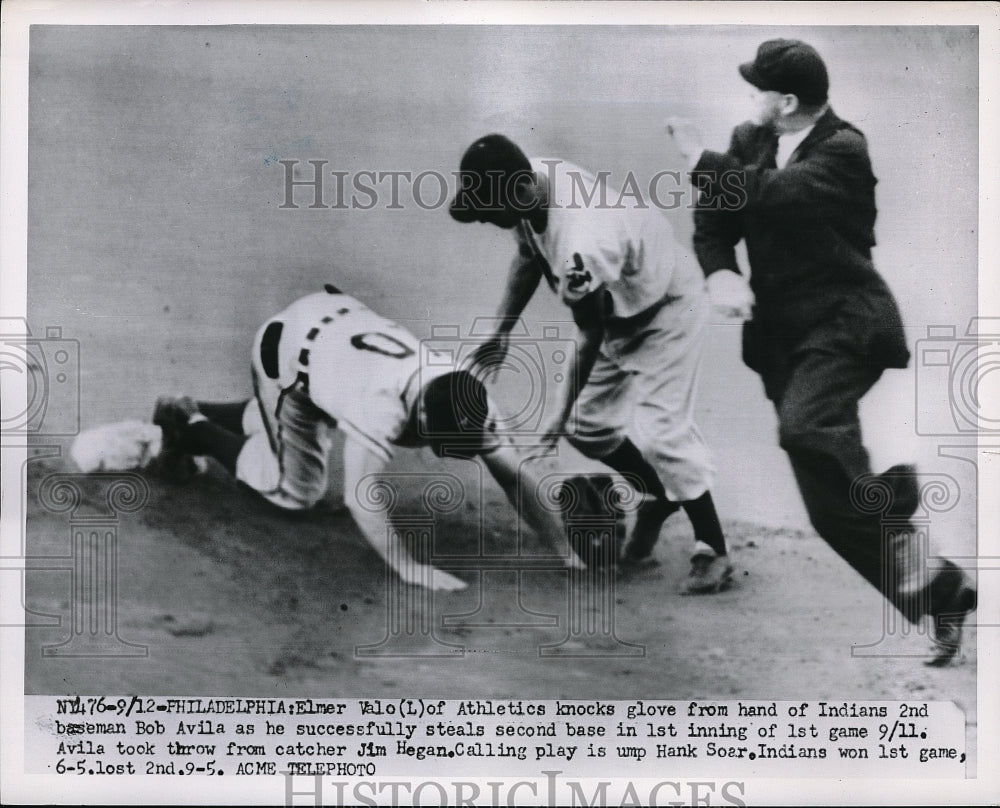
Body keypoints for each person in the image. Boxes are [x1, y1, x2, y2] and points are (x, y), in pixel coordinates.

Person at [666, 38, 976, 664]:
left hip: (845, 326)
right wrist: (721, 271)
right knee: (831, 516)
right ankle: (942, 593)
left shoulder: (843, 149)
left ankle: (896, 493)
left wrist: (699, 156)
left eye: (759, 88)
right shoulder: (751, 139)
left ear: (785, 101)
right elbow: (716, 218)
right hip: (785, 340)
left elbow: (774, 197)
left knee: (805, 426)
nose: (750, 98)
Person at [153, 284, 584, 592]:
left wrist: (564, 548)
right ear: (419, 419)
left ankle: (229, 414)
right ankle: (193, 426)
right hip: (286, 352)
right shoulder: (380, 407)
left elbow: (513, 476)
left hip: (334, 333)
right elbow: (363, 495)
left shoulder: (469, 397)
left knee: (309, 414)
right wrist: (408, 567)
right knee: (295, 492)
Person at [449, 135, 732, 593]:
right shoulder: (530, 178)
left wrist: (553, 420)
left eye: (488, 210)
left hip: (668, 309)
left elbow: (589, 334)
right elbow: (528, 254)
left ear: (522, 192)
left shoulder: (582, 240)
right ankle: (660, 495)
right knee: (589, 426)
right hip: (620, 300)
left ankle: (712, 549)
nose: (485, 219)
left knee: (663, 434)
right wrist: (500, 330)